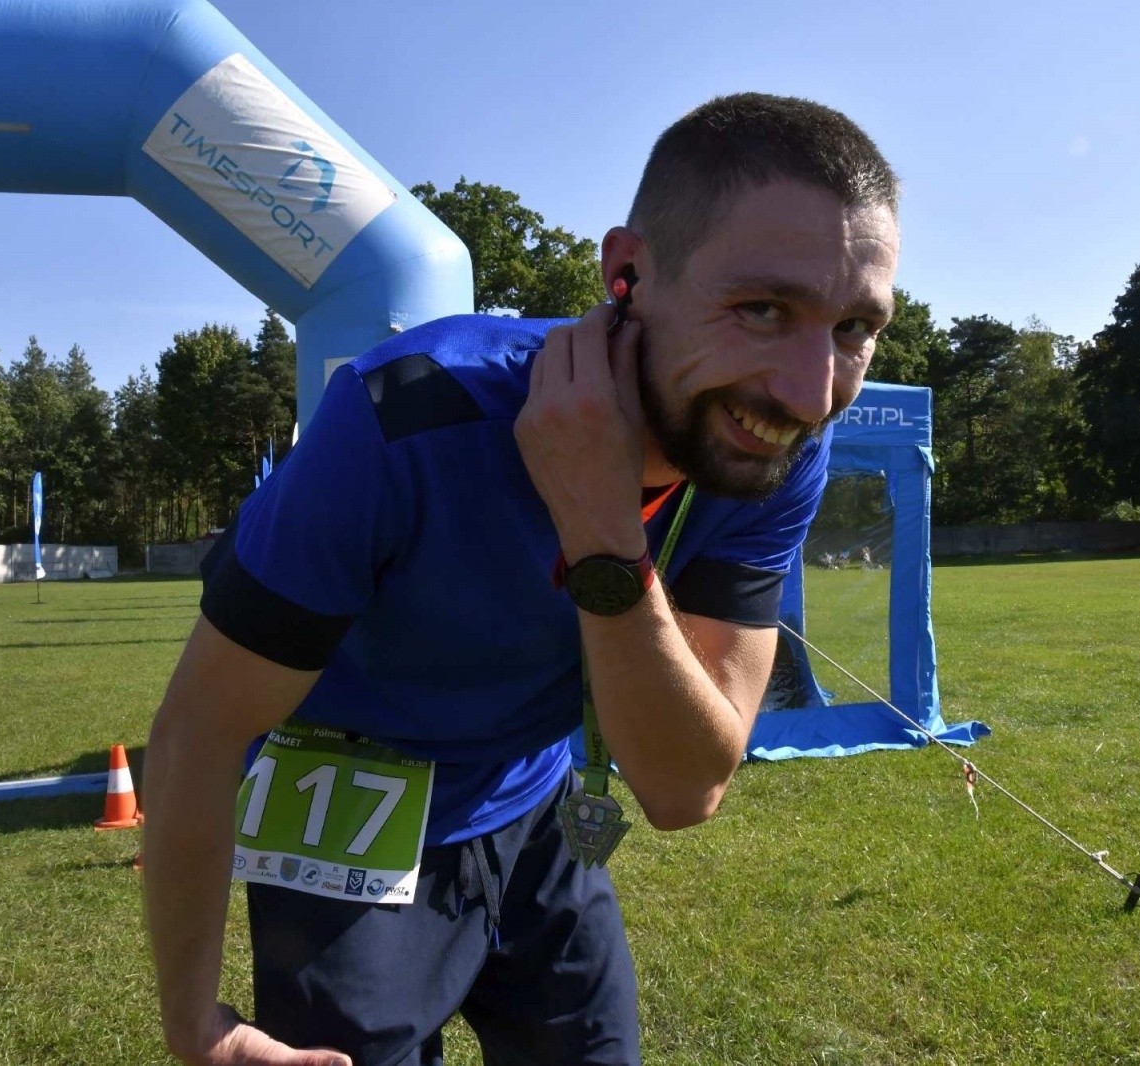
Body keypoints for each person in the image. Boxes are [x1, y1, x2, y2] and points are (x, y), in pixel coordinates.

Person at [142, 92, 901, 1066]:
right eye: (761, 308)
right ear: (627, 272)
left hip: (535, 804)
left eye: (852, 328)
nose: (808, 389)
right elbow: (201, 730)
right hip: (349, 806)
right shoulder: (405, 419)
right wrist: (192, 1027)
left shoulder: (776, 441)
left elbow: (681, 783)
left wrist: (597, 526)